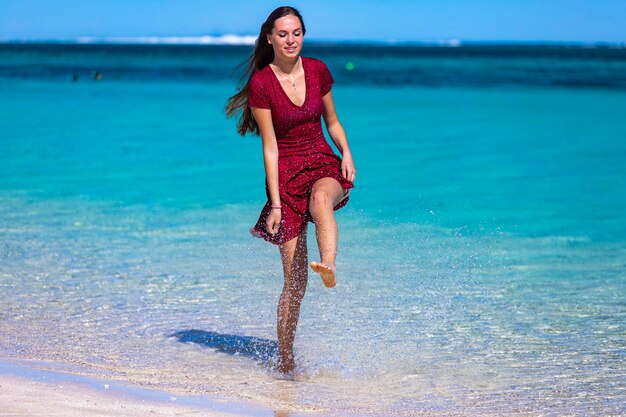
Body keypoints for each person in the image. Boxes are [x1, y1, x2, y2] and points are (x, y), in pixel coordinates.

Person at [225, 6, 356, 374]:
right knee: (294, 285)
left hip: (323, 165)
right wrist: (277, 204)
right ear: (269, 37)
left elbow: (332, 121)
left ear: (303, 34)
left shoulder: (317, 70)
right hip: (286, 179)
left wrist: (346, 153)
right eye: (282, 34)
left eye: (296, 32)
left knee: (320, 200)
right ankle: (285, 362)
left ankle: (328, 264)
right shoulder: (262, 84)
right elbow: (270, 147)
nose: (290, 40)